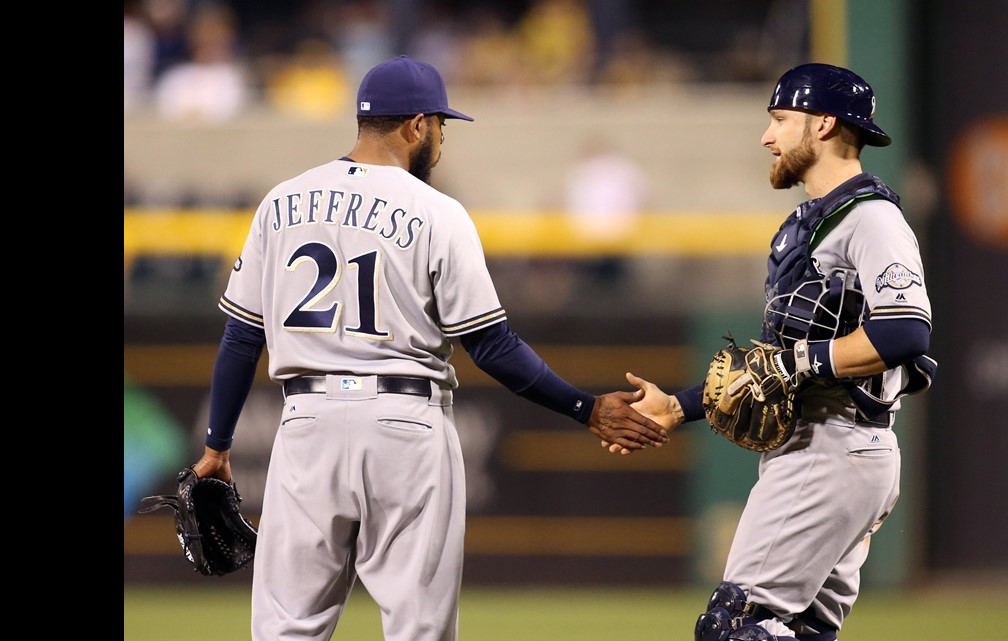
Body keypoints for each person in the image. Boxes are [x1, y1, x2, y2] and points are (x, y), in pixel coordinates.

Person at [187, 54, 668, 641]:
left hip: (305, 422)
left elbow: (241, 337)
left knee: (286, 628)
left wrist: (217, 447)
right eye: (440, 127)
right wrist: (585, 408)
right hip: (404, 424)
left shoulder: (281, 202)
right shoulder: (437, 212)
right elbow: (491, 345)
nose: (440, 142)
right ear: (417, 125)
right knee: (420, 630)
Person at [611, 63, 937, 641]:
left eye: (781, 121)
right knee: (801, 631)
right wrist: (679, 407)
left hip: (834, 446)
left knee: (735, 628)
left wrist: (796, 362)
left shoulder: (872, 217)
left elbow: (905, 333)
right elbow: (768, 362)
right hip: (827, 448)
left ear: (825, 124)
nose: (768, 137)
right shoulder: (806, 226)